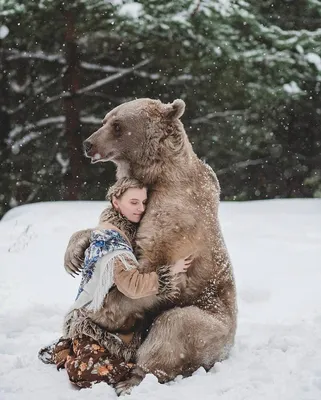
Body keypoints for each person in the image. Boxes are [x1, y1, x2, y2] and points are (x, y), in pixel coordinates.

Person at [39, 177, 192, 388]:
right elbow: (131, 284)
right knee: (85, 371)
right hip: (101, 323)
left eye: (144, 202)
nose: (141, 208)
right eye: (134, 202)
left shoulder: (117, 230)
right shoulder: (113, 242)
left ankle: (69, 348)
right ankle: (71, 354)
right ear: (115, 202)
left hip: (118, 320)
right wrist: (169, 273)